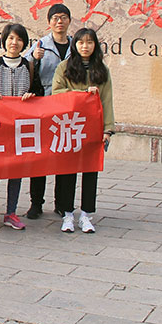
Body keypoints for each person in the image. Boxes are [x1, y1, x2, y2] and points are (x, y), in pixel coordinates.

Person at [0, 23, 43, 232]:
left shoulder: (29, 67)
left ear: (24, 43)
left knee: (16, 171)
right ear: (4, 41)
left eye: (19, 39)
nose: (14, 43)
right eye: (11, 38)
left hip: (20, 130)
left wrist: (32, 96)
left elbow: (40, 94)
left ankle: (11, 213)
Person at [52, 27, 113, 234]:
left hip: (93, 127)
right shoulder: (64, 67)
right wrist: (83, 93)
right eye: (80, 42)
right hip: (70, 125)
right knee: (68, 171)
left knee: (90, 171)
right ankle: (67, 214)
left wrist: (108, 129)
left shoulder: (102, 70)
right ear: (74, 44)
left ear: (95, 45)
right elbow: (56, 93)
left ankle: (86, 214)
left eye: (89, 42)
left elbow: (107, 100)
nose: (85, 46)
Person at [25, 3, 74, 219]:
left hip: (67, 107)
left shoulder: (75, 46)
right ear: (49, 22)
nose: (59, 21)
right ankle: (36, 203)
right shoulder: (40, 45)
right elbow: (23, 66)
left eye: (63, 17)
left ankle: (62, 203)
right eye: (55, 18)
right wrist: (34, 58)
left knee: (64, 156)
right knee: (41, 157)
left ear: (69, 21)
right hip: (43, 106)